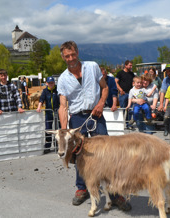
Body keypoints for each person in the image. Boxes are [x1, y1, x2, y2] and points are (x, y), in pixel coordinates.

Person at [57, 41, 131, 211]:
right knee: (78, 156)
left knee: (106, 155)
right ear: (63, 57)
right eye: (67, 56)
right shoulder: (62, 79)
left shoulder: (92, 67)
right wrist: (64, 130)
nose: (70, 58)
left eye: (73, 54)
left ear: (77, 52)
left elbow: (105, 89)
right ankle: (82, 189)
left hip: (96, 114)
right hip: (76, 118)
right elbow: (62, 105)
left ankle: (114, 193)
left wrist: (101, 104)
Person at [36, 76, 60, 154]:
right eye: (49, 83)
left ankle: (57, 144)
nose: (51, 84)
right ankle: (47, 146)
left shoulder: (57, 90)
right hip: (49, 113)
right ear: (46, 83)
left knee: (58, 129)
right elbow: (41, 99)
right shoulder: (45, 91)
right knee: (48, 130)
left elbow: (61, 99)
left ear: (54, 83)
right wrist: (39, 107)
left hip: (57, 112)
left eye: (52, 83)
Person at [115, 60, 135, 128]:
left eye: (131, 65)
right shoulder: (120, 73)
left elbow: (134, 83)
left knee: (129, 110)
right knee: (122, 110)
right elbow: (116, 82)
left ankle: (128, 124)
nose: (131, 66)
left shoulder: (132, 74)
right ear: (125, 65)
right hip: (123, 94)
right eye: (130, 65)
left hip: (130, 94)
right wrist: (120, 90)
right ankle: (120, 124)